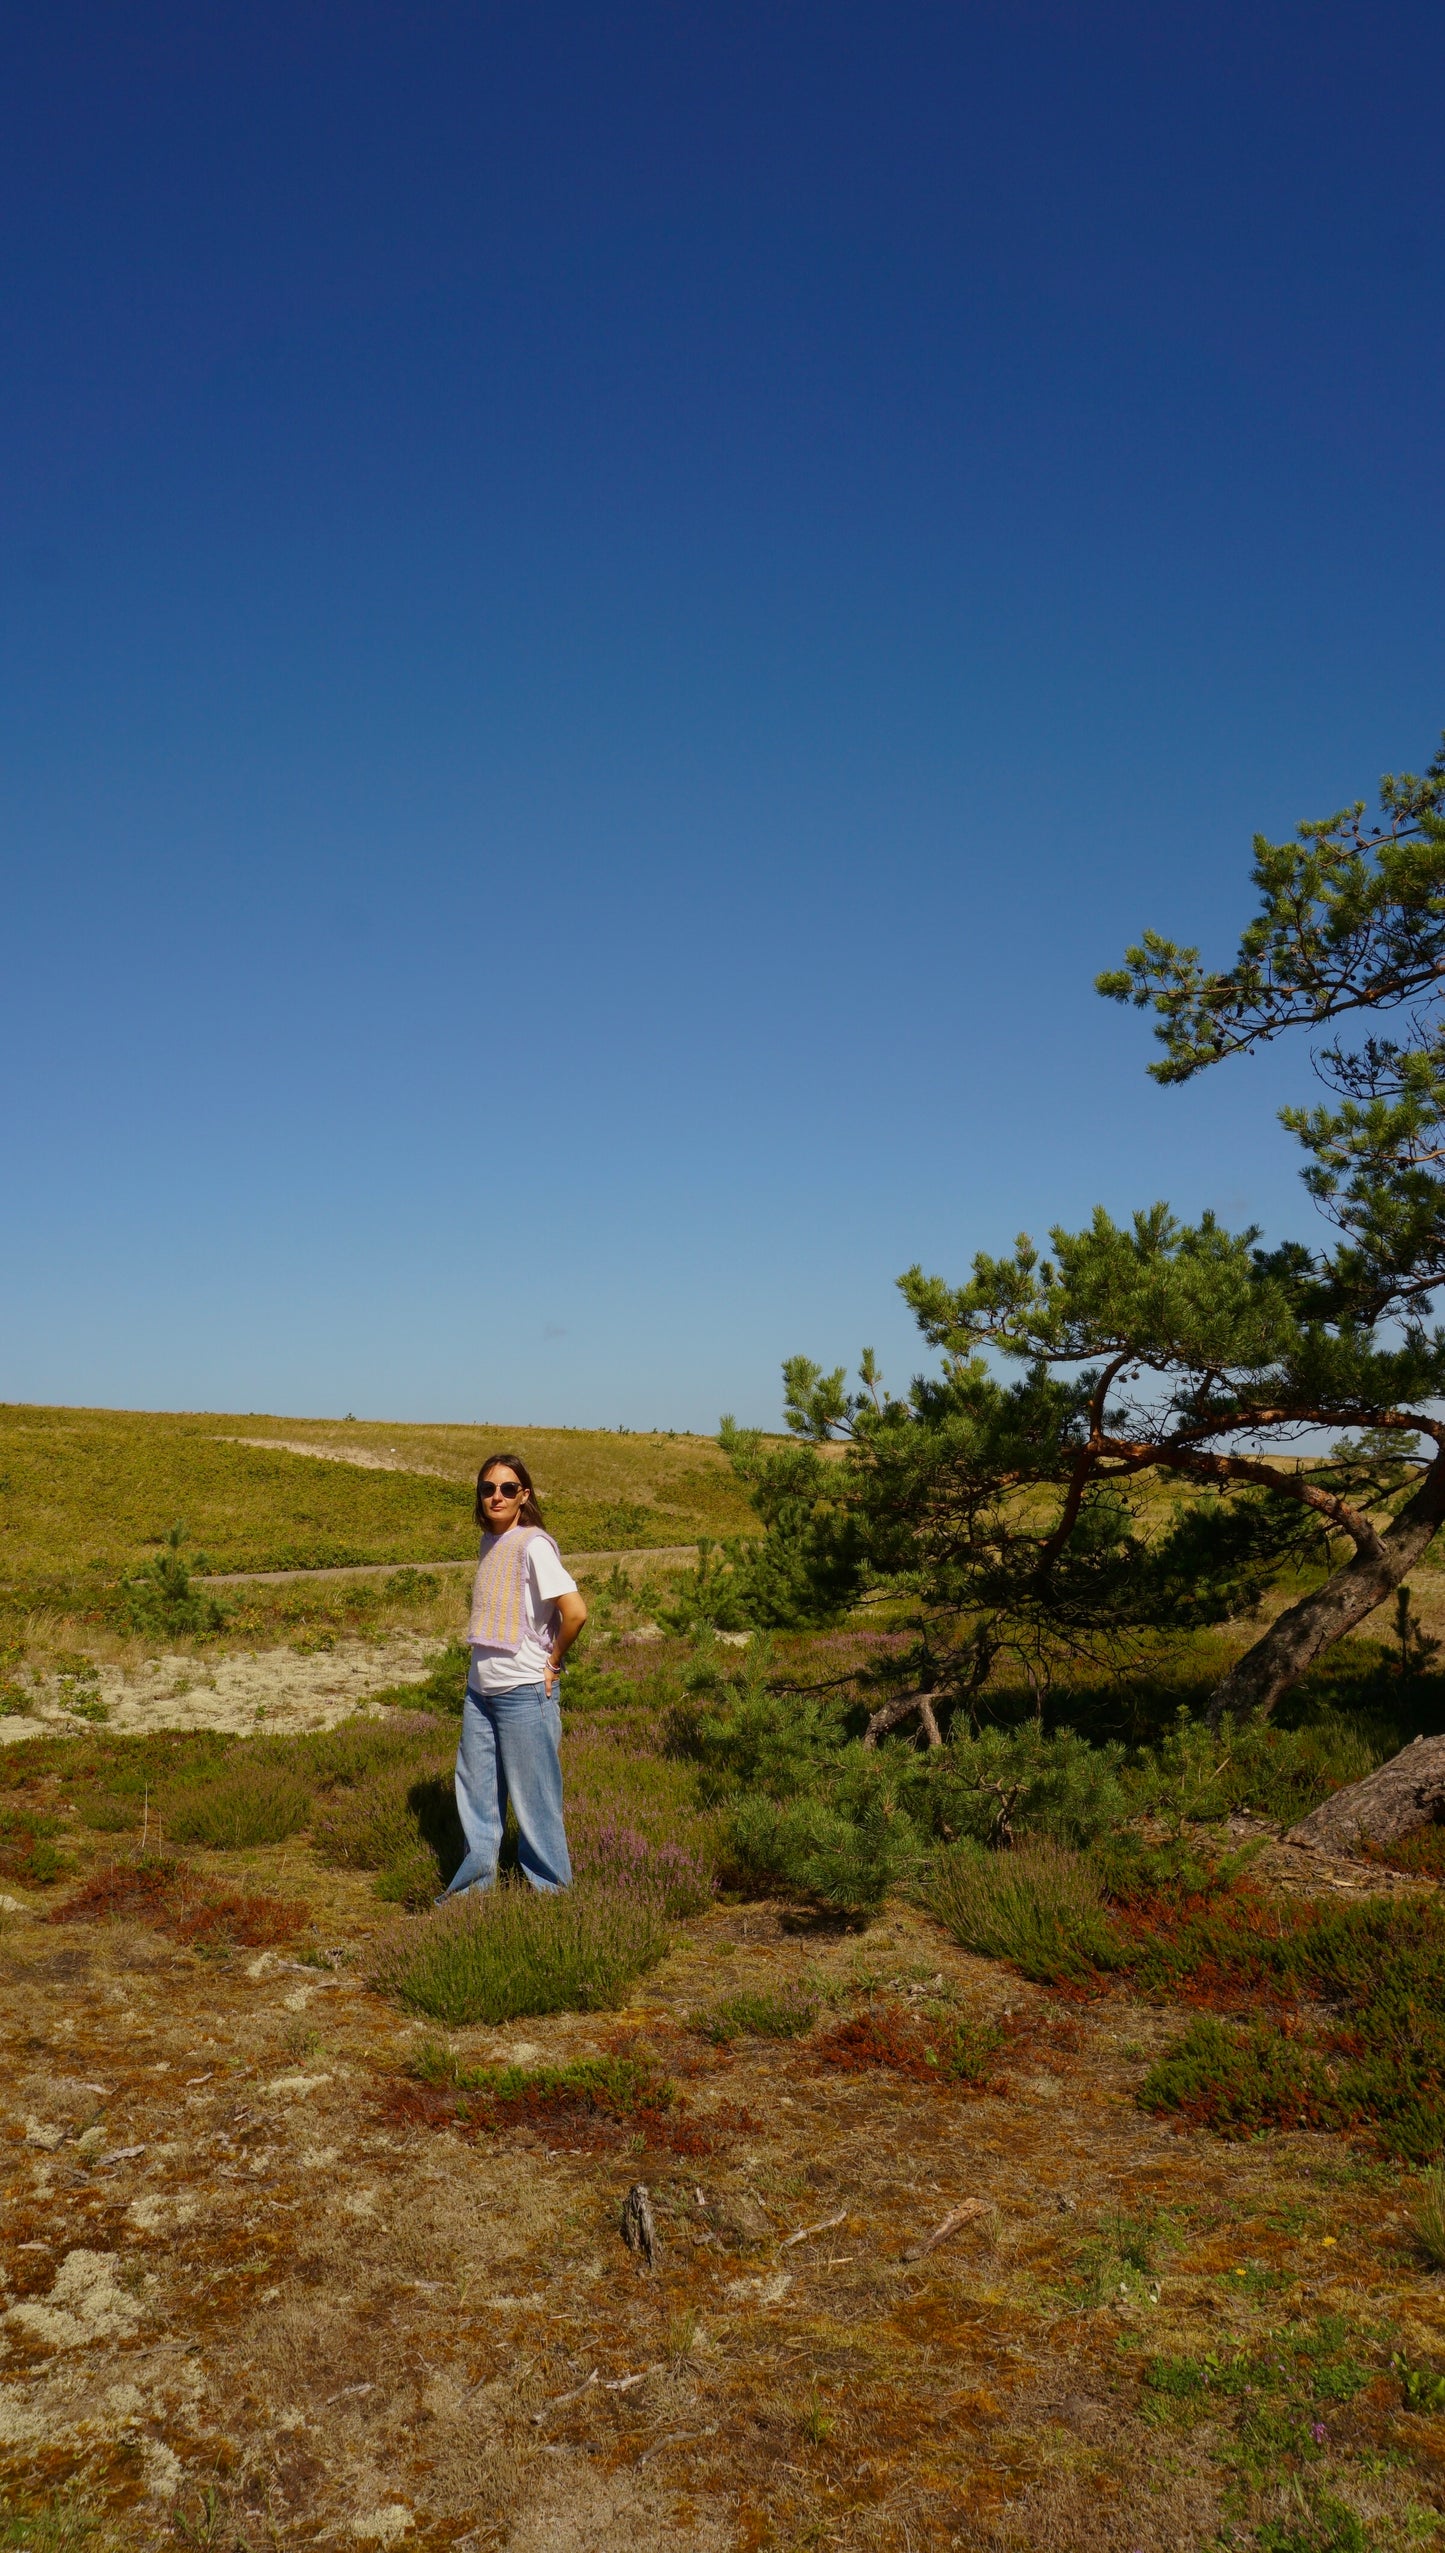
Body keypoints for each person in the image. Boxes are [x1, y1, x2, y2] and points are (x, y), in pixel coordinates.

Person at [442, 1453, 587, 1898]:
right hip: (480, 1693)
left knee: (534, 1801)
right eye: (488, 1489)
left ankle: (552, 1896)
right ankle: (473, 1892)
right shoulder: (491, 1543)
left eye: (508, 1488)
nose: (497, 1496)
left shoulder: (533, 1546)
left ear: (524, 1495)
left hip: (523, 1691)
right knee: (477, 1797)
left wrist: (553, 1663)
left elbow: (575, 1612)